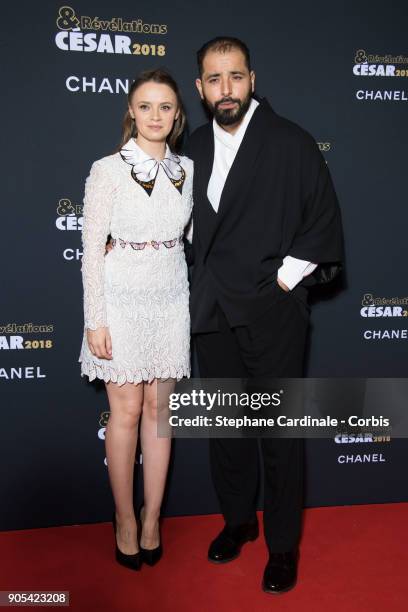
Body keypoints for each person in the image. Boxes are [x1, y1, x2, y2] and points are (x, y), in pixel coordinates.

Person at [185, 37, 344, 594]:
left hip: (271, 309)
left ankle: (281, 546)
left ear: (252, 78)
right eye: (212, 79)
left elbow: (321, 220)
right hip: (211, 309)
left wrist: (284, 280)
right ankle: (236, 522)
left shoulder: (292, 142)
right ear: (200, 87)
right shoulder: (193, 148)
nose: (224, 89)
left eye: (234, 76)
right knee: (226, 429)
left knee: (278, 433)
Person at [78, 69, 193, 571]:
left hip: (171, 296)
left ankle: (152, 519)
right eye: (145, 106)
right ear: (131, 111)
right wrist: (95, 319)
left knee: (159, 412)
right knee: (124, 413)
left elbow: (192, 237)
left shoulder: (187, 168)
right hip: (120, 298)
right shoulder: (106, 169)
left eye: (164, 107)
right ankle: (124, 518)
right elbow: (90, 249)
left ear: (177, 114)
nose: (155, 116)